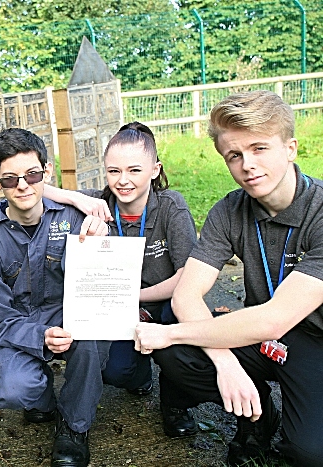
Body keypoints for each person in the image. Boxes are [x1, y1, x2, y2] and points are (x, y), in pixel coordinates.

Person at [134, 90, 323, 467]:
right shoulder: (229, 210)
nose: (247, 165)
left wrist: (169, 331)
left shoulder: (320, 212)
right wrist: (227, 364)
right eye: (234, 155)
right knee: (176, 356)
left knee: (309, 454)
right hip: (255, 332)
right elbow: (185, 298)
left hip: (314, 338)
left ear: (291, 148)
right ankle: (258, 416)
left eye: (259, 148)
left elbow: (276, 318)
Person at [0, 128, 110, 467]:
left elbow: (120, 206)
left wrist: (103, 234)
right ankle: (42, 403)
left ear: (46, 172)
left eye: (32, 174)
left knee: (92, 341)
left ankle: (74, 426)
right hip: (20, 327)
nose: (23, 185)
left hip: (71, 317)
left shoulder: (75, 217)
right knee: (15, 390)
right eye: (11, 178)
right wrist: (40, 336)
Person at [45, 122, 199, 438]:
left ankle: (175, 403)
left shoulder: (171, 206)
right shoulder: (99, 205)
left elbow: (188, 275)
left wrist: (135, 300)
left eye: (134, 170)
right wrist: (77, 200)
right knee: (115, 371)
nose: (123, 180)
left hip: (163, 306)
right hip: (115, 311)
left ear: (155, 169)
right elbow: (37, 188)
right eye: (113, 171)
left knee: (180, 316)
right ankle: (138, 374)